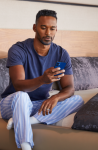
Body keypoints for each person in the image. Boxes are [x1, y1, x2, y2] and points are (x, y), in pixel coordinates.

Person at [0, 9, 84, 150]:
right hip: (13, 103)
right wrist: (42, 80)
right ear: (34, 27)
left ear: (56, 29)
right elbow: (18, 85)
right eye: (43, 28)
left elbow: (69, 88)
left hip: (39, 104)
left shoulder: (61, 53)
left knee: (78, 100)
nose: (48, 33)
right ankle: (26, 146)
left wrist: (55, 98)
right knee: (22, 96)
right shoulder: (18, 49)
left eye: (52, 29)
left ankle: (29, 120)